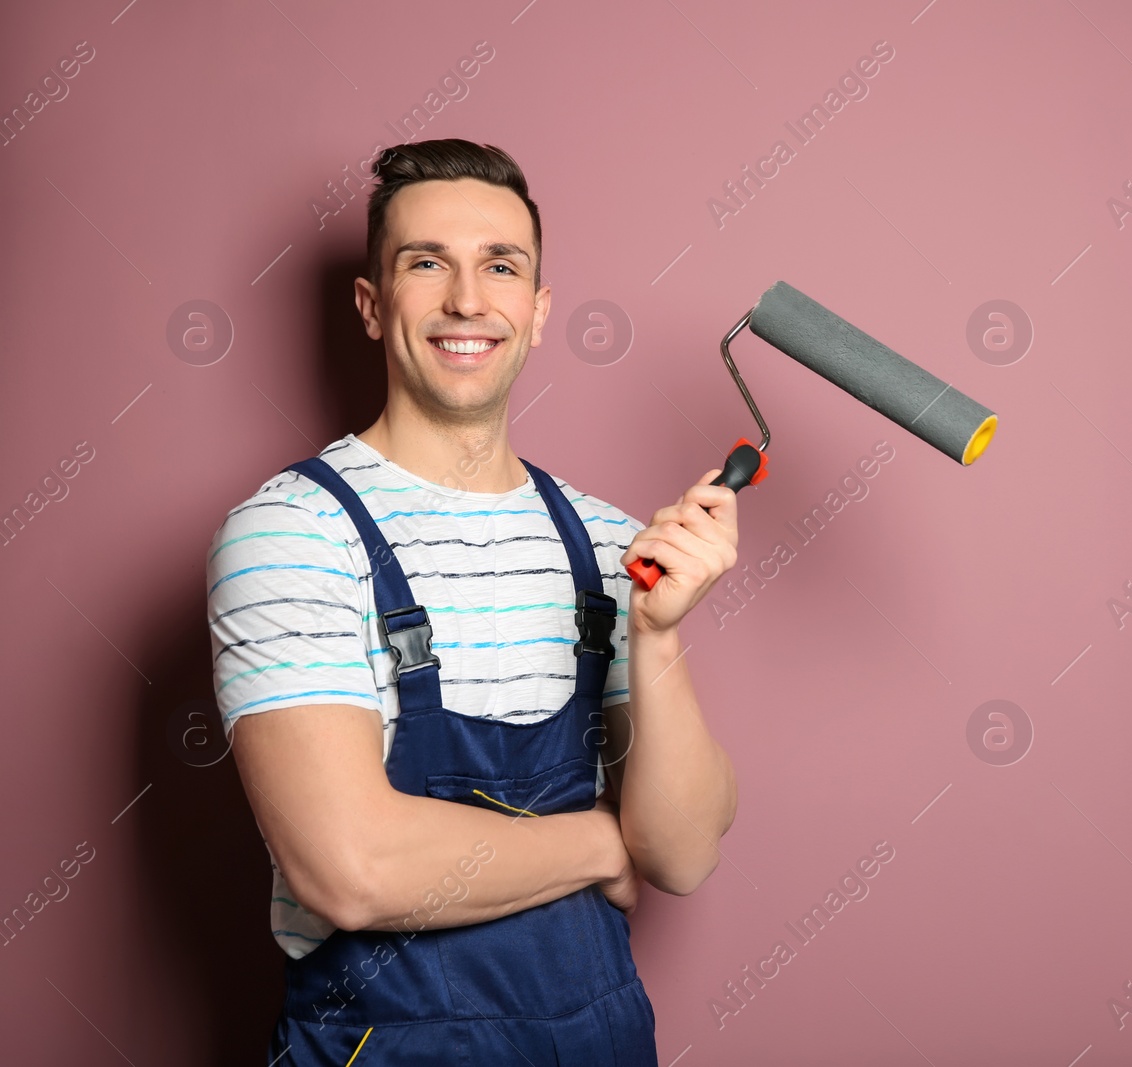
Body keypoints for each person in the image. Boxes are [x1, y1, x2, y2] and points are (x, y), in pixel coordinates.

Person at [205, 138, 739, 1064]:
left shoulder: (609, 543)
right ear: (373, 307)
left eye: (500, 265)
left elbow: (684, 851)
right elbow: (353, 868)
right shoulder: (292, 533)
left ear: (535, 313)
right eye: (427, 263)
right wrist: (606, 846)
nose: (466, 299)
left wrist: (655, 639)